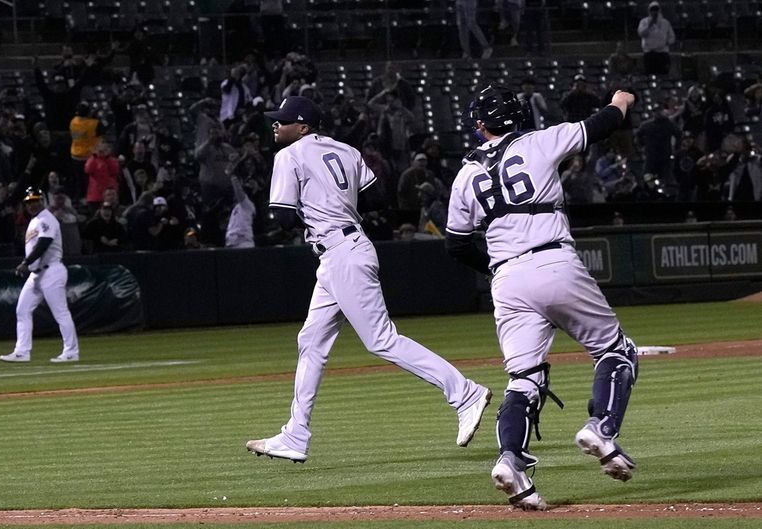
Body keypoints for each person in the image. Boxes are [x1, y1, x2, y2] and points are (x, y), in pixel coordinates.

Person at [245, 96, 492, 462]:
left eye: (283, 120)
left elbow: (281, 217)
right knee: (310, 341)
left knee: (381, 340)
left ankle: (464, 391)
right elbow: (377, 198)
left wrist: (320, 212)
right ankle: (295, 435)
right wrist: (335, 202)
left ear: (304, 127)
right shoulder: (345, 149)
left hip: (341, 252)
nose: (275, 125)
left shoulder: (290, 155)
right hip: (345, 250)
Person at [445, 85, 639, 510]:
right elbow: (599, 125)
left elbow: (456, 245)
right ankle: (601, 430)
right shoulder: (537, 141)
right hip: (553, 260)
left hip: (506, 279)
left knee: (524, 380)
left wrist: (499, 269)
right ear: (518, 117)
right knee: (616, 350)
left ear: (480, 126)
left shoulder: (464, 176)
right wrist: (620, 101)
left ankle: (510, 460)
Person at [0, 187, 80, 363]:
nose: (32, 204)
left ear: (42, 200)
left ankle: (71, 351)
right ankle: (22, 351)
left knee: (60, 313)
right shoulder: (35, 220)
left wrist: (25, 263)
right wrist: (29, 265)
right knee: (22, 310)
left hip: (51, 270)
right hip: (37, 274)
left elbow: (44, 243)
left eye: (35, 200)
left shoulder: (46, 219)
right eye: (29, 202)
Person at [637, 1, 675, 76]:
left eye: (656, 10)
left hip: (662, 53)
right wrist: (649, 25)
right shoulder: (644, 22)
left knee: (664, 74)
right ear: (649, 11)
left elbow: (672, 37)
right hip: (649, 54)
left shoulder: (665, 23)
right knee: (649, 74)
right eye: (652, 10)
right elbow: (641, 33)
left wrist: (666, 42)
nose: (654, 12)